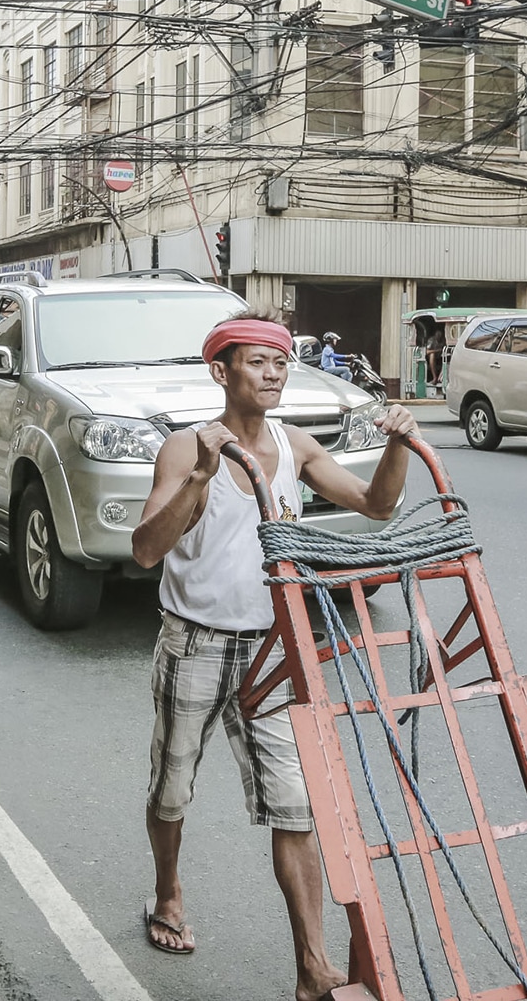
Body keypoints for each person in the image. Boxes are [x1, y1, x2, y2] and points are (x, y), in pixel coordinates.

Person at [131, 306, 419, 1001]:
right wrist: (200, 478)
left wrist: (399, 445)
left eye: (280, 362)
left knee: (295, 808)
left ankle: (313, 968)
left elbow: (377, 507)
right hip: (194, 641)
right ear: (220, 371)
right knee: (173, 787)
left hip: (272, 652)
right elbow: (145, 549)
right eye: (256, 362)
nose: (271, 374)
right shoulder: (185, 447)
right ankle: (168, 892)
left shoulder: (295, 446)